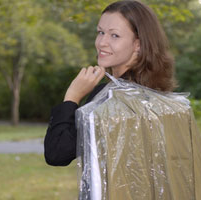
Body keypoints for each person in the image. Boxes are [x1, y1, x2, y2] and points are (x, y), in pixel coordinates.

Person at [44, 0, 176, 166]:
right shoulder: (154, 94)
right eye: (100, 32)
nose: (101, 43)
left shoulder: (118, 100)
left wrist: (72, 97)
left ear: (138, 44)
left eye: (114, 35)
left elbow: (57, 153)